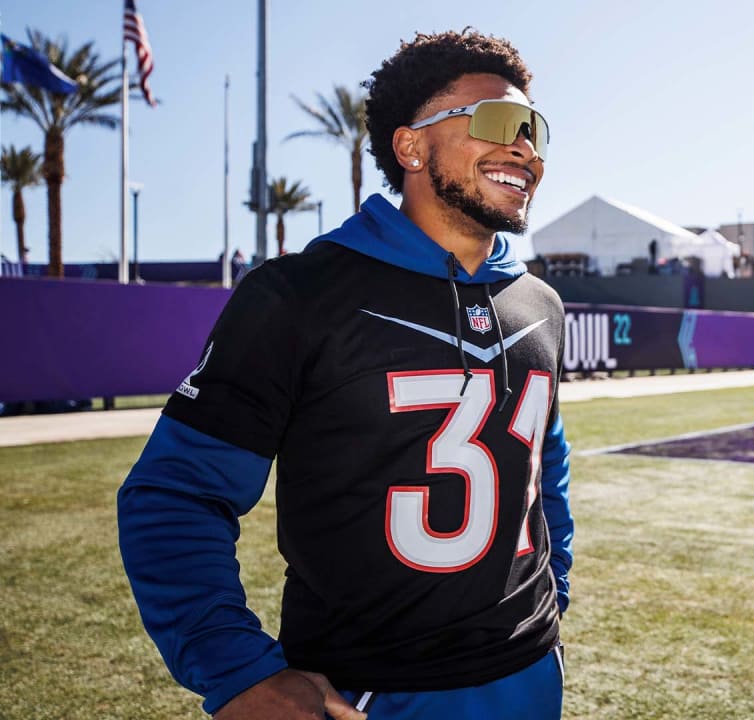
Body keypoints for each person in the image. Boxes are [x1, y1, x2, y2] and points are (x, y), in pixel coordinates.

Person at [118, 30, 573, 720]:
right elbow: (174, 495)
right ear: (411, 145)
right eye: (497, 124)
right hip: (370, 691)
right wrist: (238, 672)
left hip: (529, 676)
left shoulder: (540, 304)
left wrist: (553, 592)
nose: (525, 149)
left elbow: (547, 465)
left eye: (533, 130)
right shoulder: (300, 293)